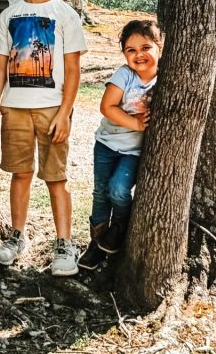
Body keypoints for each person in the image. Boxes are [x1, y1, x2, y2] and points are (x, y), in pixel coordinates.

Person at [0, 0, 87, 277]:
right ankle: (16, 236)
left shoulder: (66, 16)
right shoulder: (9, 15)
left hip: (51, 108)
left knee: (56, 177)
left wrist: (64, 113)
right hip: (15, 107)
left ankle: (64, 243)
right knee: (20, 173)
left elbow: (73, 70)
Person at [78, 19, 162, 270]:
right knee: (100, 193)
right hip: (106, 144)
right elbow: (107, 106)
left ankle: (120, 227)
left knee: (118, 189)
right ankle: (96, 243)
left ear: (160, 47)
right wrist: (135, 124)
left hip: (133, 151)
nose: (139, 55)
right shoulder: (124, 75)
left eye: (146, 47)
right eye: (131, 50)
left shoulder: (165, 79)